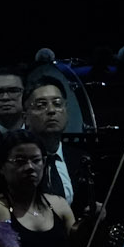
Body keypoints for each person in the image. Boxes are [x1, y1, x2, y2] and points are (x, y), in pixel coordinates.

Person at [22, 73, 89, 208]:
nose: (51, 110)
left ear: (66, 111)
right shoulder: (17, 162)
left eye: (57, 104)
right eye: (41, 105)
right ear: (25, 117)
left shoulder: (80, 158)